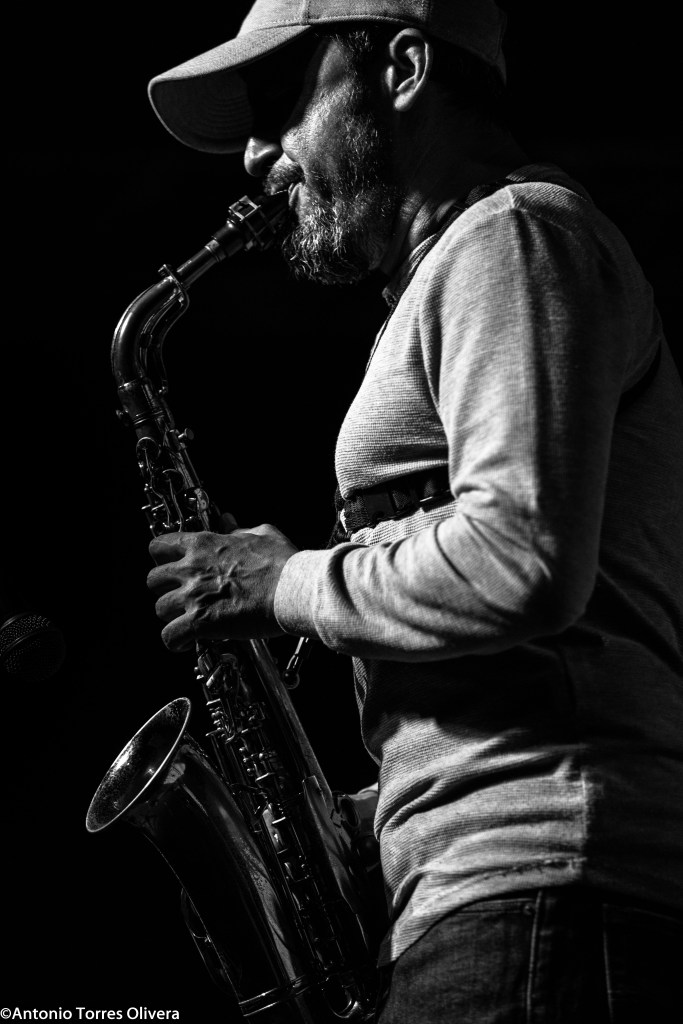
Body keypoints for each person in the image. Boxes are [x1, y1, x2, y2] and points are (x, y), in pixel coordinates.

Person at [144, 1, 683, 1020]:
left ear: (400, 67)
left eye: (281, 99)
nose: (256, 155)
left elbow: (520, 559)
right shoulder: (467, 266)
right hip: (507, 895)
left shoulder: (510, 236)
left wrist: (284, 581)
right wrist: (366, 825)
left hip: (538, 892)